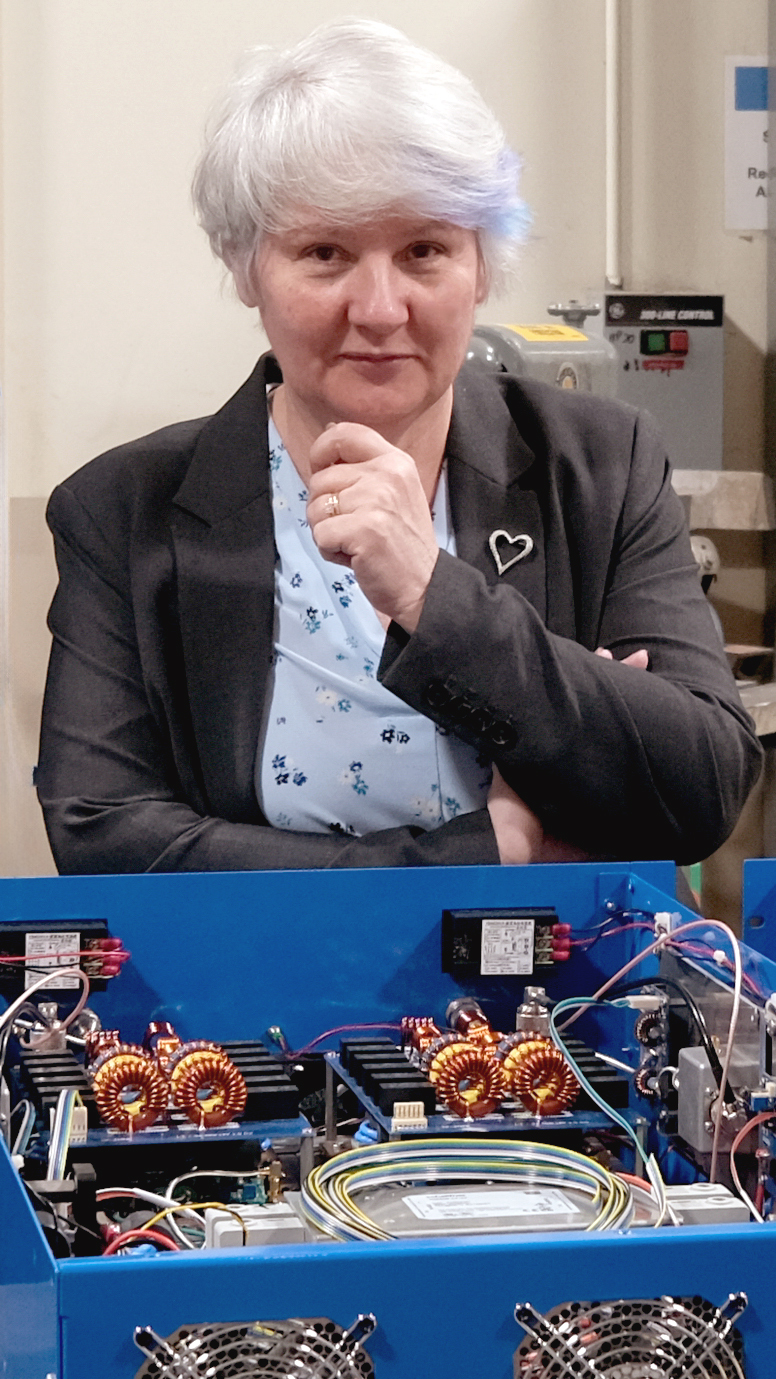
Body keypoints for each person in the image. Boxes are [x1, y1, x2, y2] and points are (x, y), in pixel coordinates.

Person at [36, 19, 760, 875]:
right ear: (244, 266)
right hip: (259, 992)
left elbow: (699, 785)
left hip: (564, 997)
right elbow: (104, 834)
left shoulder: (599, 464)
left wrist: (432, 596)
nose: (380, 308)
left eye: (425, 250)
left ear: (483, 264)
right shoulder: (124, 509)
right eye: (325, 252)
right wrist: (482, 850)